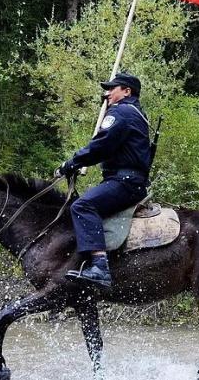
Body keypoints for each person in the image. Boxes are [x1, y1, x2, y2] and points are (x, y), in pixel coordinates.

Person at [56, 72, 151, 288]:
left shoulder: (122, 112)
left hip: (124, 182)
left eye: (112, 88)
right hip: (129, 180)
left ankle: (100, 267)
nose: (107, 93)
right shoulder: (133, 112)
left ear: (127, 91)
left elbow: (100, 146)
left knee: (82, 206)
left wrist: (72, 163)